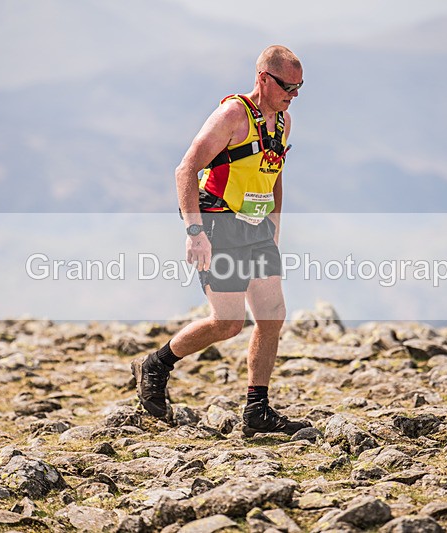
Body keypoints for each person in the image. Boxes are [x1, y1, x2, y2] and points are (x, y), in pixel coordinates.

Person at [131, 45, 311, 437]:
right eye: (287, 86)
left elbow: (274, 173)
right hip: (218, 225)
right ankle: (156, 364)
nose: (293, 95)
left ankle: (257, 410)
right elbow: (186, 169)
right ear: (263, 78)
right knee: (228, 322)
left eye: (299, 88)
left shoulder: (283, 121)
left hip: (258, 228)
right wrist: (194, 232)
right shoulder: (232, 115)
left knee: (272, 316)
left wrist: (275, 227)